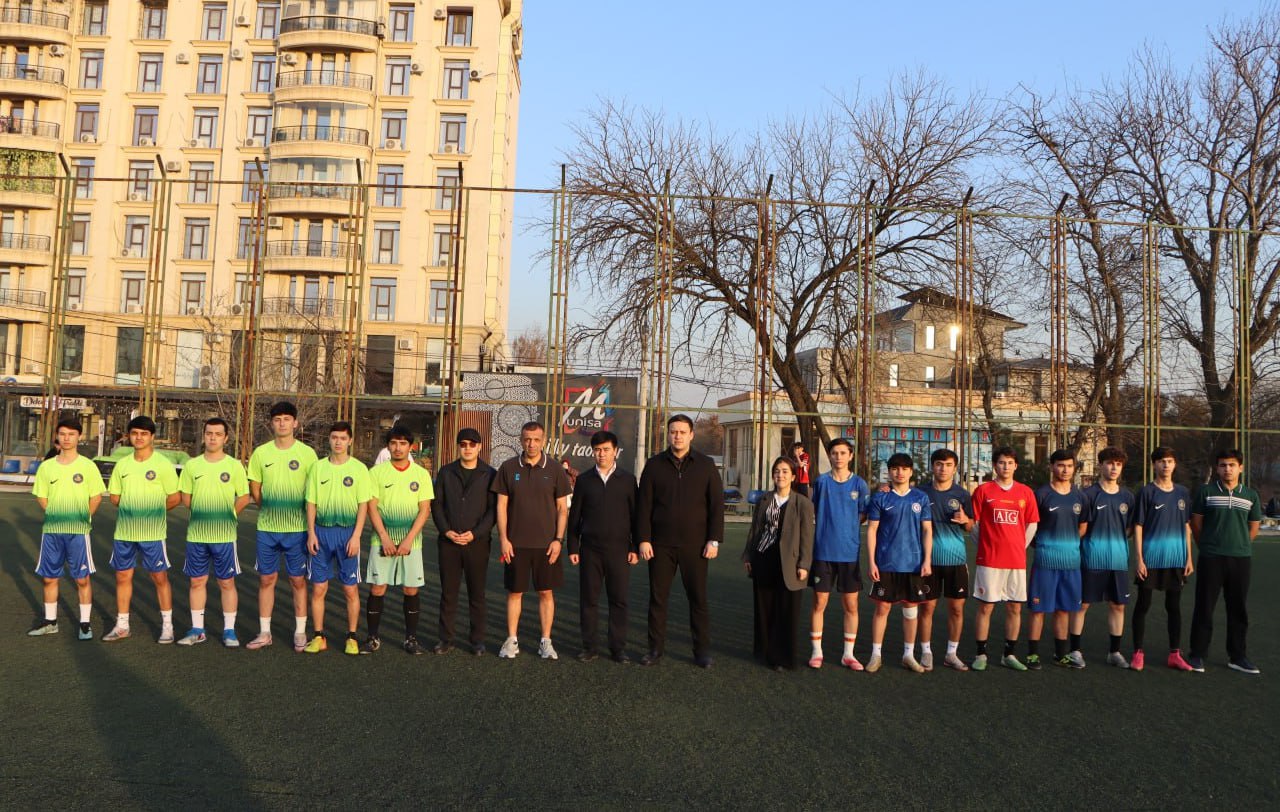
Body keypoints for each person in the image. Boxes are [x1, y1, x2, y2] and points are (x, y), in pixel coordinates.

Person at [636, 414, 725, 668]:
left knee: (698, 599)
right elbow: (644, 506)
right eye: (673, 432)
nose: (677, 436)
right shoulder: (654, 465)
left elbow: (716, 506)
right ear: (669, 434)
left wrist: (714, 540)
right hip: (660, 545)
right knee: (658, 599)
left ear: (691, 435)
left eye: (682, 432)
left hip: (696, 546)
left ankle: (701, 652)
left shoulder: (706, 465)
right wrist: (643, 539)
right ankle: (654, 650)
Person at [492, 421, 571, 660]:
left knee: (546, 592)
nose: (531, 444)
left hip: (546, 546)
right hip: (516, 545)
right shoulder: (507, 467)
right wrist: (504, 539)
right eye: (527, 439)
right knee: (515, 592)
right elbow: (501, 506)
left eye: (536, 439)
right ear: (520, 440)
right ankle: (511, 640)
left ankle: (545, 641)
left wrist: (558, 540)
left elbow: (562, 510)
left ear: (544, 440)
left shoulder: (556, 469)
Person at [246, 401, 318, 652]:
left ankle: (300, 632)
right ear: (271, 423)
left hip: (297, 530)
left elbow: (314, 492)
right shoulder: (261, 453)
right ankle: (265, 632)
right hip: (267, 528)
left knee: (298, 581)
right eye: (277, 419)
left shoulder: (307, 454)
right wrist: (268, 506)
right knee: (267, 579)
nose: (282, 423)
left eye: (287, 419)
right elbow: (255, 486)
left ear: (295, 423)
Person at [103, 415, 180, 643]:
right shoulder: (123, 465)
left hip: (153, 534)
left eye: (144, 434)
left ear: (152, 437)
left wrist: (152, 512)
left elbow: (174, 498)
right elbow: (115, 497)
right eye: (135, 433)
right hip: (125, 533)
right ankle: (122, 625)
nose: (139, 437)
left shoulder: (163, 465)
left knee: (159, 577)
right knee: (123, 576)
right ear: (129, 436)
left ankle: (167, 626)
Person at [29, 417, 106, 640]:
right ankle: (50, 622)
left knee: (82, 578)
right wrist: (56, 515)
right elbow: (42, 496)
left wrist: (82, 518)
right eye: (63, 434)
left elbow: (96, 497)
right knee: (49, 578)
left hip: (78, 532)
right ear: (57, 436)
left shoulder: (88, 466)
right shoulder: (47, 467)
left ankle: (84, 624)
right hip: (52, 532)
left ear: (78, 437)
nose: (66, 438)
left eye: (71, 434)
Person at [176, 417, 251, 647]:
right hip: (197, 535)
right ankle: (197, 629)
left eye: (218, 434)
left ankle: (229, 631)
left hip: (224, 536)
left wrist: (228, 515)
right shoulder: (192, 465)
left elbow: (244, 496)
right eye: (209, 433)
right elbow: (186, 498)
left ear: (226, 438)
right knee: (197, 581)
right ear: (204, 435)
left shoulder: (234, 465)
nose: (213, 437)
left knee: (226, 582)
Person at [1188, 448, 1262, 674]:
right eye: (1222, 465)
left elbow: (1254, 528)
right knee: (1204, 606)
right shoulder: (1206, 492)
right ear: (1217, 468)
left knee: (1238, 608)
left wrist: (1239, 545)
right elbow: (1196, 525)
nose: (1227, 469)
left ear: (1240, 467)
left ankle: (1237, 656)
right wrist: (1208, 547)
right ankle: (1197, 654)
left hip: (1240, 559)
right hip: (1211, 558)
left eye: (1231, 465)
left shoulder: (1250, 495)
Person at [302, 421, 372, 655]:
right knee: (319, 588)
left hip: (347, 534)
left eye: (343, 438)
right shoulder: (318, 468)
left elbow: (364, 504)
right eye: (334, 437)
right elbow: (311, 502)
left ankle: (351, 637)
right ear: (329, 440)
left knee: (350, 589)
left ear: (350, 441)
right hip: (321, 533)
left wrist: (357, 536)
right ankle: (318, 636)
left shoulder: (360, 469)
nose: (338, 442)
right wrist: (311, 532)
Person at [568, 430, 638, 663]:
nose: (602, 454)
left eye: (606, 450)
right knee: (589, 600)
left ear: (615, 451)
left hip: (619, 550)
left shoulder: (628, 480)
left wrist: (634, 547)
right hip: (590, 550)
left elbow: (635, 516)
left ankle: (617, 648)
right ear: (592, 452)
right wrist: (573, 547)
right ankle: (590, 647)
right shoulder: (585, 480)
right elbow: (574, 516)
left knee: (619, 600)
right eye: (597, 450)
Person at [364, 424, 434, 654]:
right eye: (393, 443)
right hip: (381, 541)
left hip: (411, 543)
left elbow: (424, 509)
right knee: (377, 588)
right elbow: (371, 507)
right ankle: (373, 638)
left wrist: (408, 540)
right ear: (388, 446)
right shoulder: (376, 473)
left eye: (403, 443)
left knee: (411, 590)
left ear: (411, 447)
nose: (398, 447)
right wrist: (384, 537)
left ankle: (410, 639)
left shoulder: (421, 474)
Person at [970, 446, 1039, 671]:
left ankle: (1008, 654)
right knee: (986, 607)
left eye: (1010, 463)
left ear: (1016, 466)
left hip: (1016, 562)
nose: (1005, 467)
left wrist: (1019, 547)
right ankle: (981, 654)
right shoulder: (983, 491)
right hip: (989, 560)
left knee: (1015, 608)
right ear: (995, 465)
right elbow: (974, 524)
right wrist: (984, 546)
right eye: (1001, 463)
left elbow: (1032, 524)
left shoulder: (1026, 493)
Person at [742, 456, 814, 670]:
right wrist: (749, 556)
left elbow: (807, 537)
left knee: (786, 610)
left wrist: (804, 564)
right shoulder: (764, 500)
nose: (780, 475)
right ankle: (764, 651)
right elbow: (755, 530)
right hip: (764, 558)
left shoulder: (802, 503)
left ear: (793, 476)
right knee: (765, 608)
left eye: (784, 471)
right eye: (777, 471)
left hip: (789, 563)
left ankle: (783, 657)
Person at [864, 453, 933, 673]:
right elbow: (872, 530)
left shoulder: (920, 498)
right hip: (886, 563)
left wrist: (927, 560)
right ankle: (876, 655)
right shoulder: (880, 498)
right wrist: (872, 562)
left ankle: (908, 655)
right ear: (889, 472)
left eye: (904, 468)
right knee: (882, 608)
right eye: (895, 468)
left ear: (911, 472)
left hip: (913, 564)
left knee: (910, 609)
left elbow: (927, 530)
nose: (899, 472)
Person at [431, 427, 496, 655]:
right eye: (463, 444)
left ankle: (477, 641)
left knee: (476, 594)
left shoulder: (489, 474)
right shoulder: (446, 472)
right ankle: (445, 639)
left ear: (479, 447)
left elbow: (493, 511)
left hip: (476, 544)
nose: (467, 448)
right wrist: (446, 531)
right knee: (449, 593)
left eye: (472, 444)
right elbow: (437, 504)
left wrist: (475, 533)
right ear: (458, 446)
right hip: (449, 543)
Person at [1130, 446, 1194, 672]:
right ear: (1154, 465)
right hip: (1151, 559)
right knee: (1143, 605)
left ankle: (1174, 654)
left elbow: (1186, 526)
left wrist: (1188, 557)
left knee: (1174, 607)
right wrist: (1139, 559)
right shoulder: (1146, 492)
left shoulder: (1183, 493)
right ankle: (1138, 652)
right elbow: (1138, 526)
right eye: (1161, 461)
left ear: (1175, 464)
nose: (1166, 465)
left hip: (1176, 560)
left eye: (1170, 461)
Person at [807, 437, 869, 670]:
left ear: (850, 456)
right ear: (830, 456)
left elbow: (863, 514)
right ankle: (817, 652)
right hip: (823, 552)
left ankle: (848, 654)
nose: (839, 457)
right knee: (819, 602)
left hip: (849, 554)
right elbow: (812, 510)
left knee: (851, 605)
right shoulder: (821, 482)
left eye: (843, 453)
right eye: (835, 453)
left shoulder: (860, 485)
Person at [1072, 446, 1134, 668]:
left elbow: (1129, 529)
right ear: (1100, 465)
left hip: (1117, 561)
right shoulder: (1088, 495)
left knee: (1118, 605)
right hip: (1091, 559)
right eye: (1109, 463)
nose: (1114, 467)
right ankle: (1074, 650)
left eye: (1118, 464)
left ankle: (1114, 652)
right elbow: (1080, 528)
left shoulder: (1127, 497)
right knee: (1083, 604)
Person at [1025, 449, 1088, 670]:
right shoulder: (1041, 494)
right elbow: (1031, 529)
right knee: (1038, 609)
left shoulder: (1080, 497)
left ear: (1074, 468)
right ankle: (1032, 655)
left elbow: (1082, 527)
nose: (1065, 470)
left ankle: (1060, 654)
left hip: (1071, 563)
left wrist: (1067, 545)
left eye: (1069, 466)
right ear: (1051, 467)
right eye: (1060, 465)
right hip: (1045, 563)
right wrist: (1045, 545)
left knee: (1064, 609)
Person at [917, 448, 975, 671]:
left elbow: (970, 526)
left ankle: (952, 653)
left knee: (957, 609)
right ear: (933, 466)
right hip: (928, 561)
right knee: (927, 608)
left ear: (955, 468)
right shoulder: (921, 493)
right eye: (939, 464)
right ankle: (926, 652)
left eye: (948, 464)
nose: (943, 468)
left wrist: (965, 519)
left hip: (956, 560)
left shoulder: (962, 494)